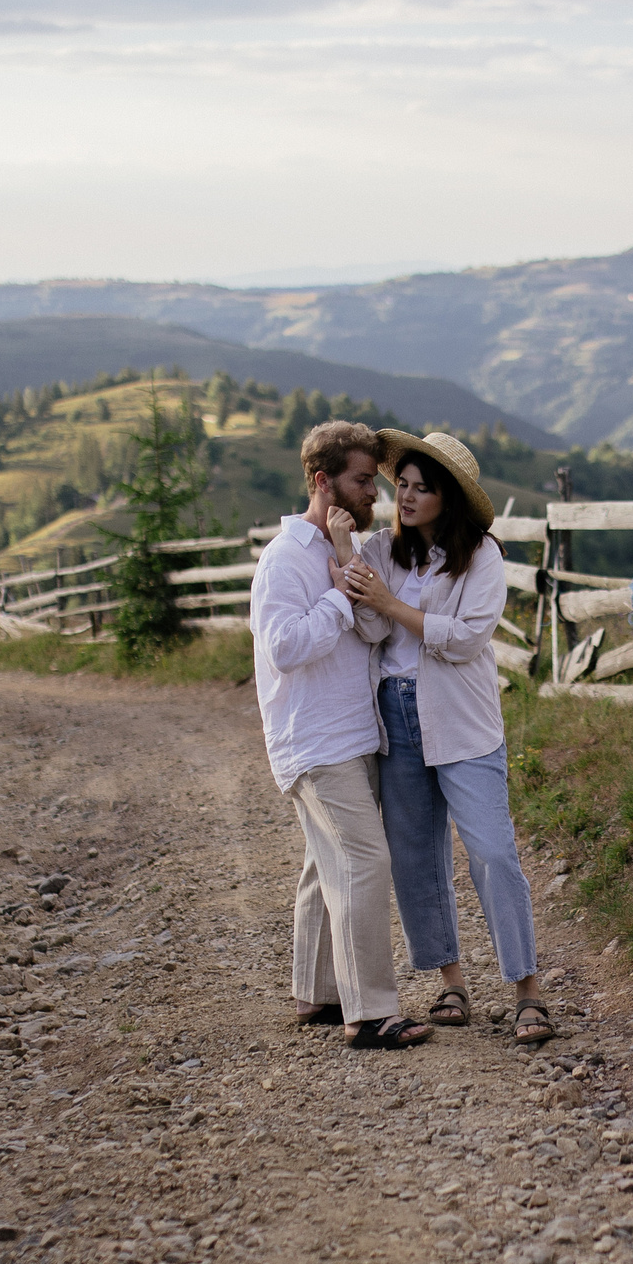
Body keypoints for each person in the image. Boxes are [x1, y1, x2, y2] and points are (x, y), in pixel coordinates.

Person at [338, 430, 553, 1046]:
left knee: (492, 851)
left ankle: (527, 991)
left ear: (448, 497)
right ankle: (451, 980)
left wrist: (390, 605)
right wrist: (363, 580)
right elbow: (371, 624)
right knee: (415, 857)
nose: (404, 497)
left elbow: (466, 637)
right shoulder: (382, 548)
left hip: (463, 720)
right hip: (397, 714)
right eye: (399, 485)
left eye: (420, 489)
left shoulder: (481, 556)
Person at [251, 420, 431, 1051]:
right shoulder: (284, 560)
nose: (374, 493)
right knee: (363, 860)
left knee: (322, 863)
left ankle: (320, 991)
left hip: (354, 733)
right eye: (362, 480)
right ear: (324, 482)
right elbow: (283, 646)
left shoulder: (339, 550)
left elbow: (377, 635)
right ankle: (372, 1012)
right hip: (315, 740)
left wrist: (349, 573)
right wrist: (333, 600)